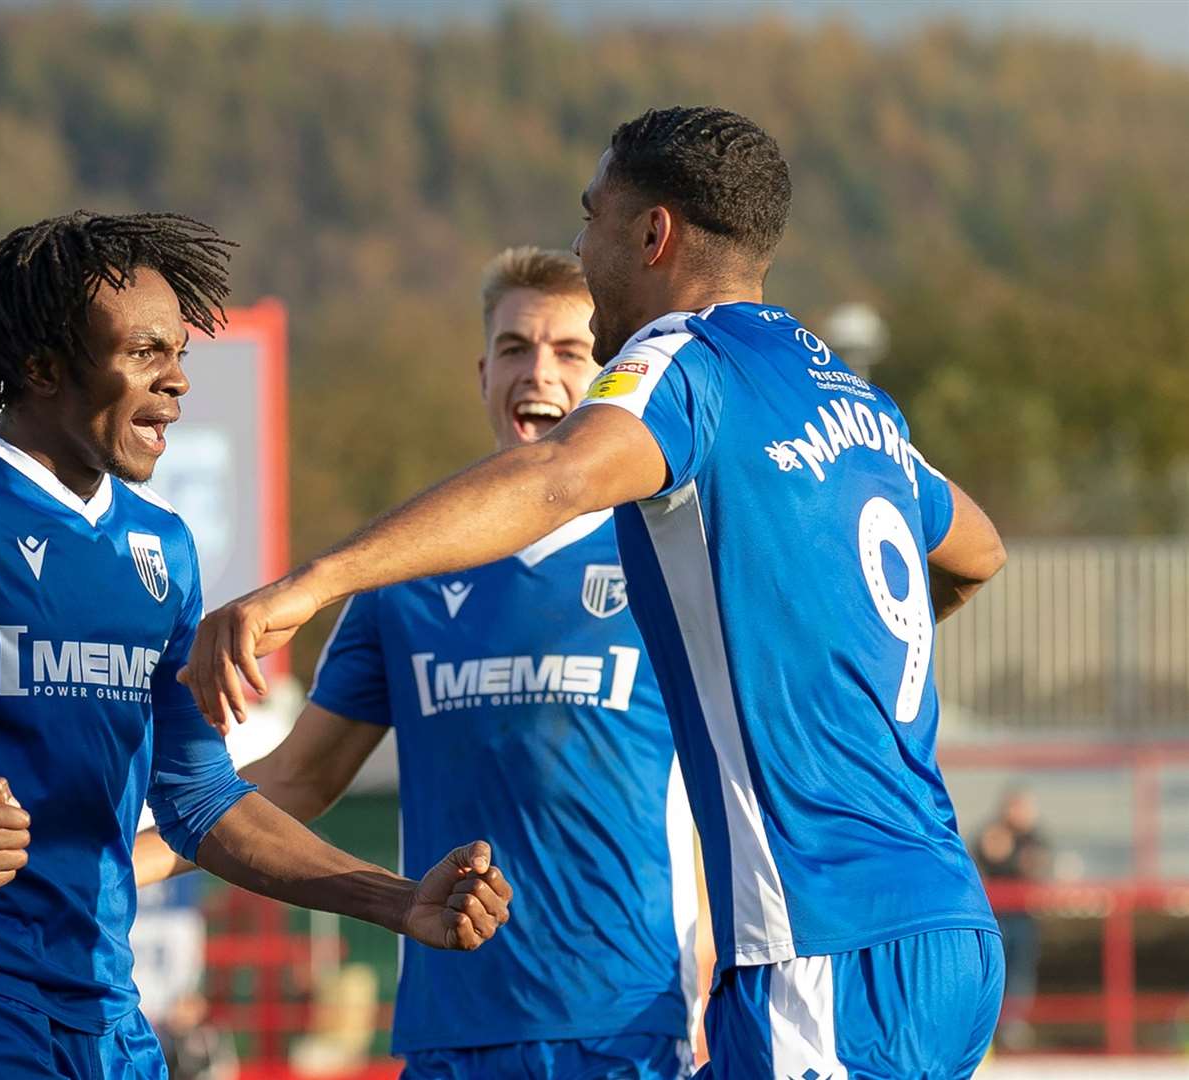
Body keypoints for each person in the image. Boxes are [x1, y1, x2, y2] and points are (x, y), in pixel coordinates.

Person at [183, 108, 1010, 1078]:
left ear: (650, 235)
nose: (580, 245)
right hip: (942, 924)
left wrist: (305, 585)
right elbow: (975, 550)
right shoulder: (851, 406)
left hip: (820, 938)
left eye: (589, 219)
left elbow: (558, 478)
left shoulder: (680, 361)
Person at [0, 210, 512, 1080]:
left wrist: (398, 901)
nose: (175, 383)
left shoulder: (162, 548)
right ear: (42, 366)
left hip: (109, 1017)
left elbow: (200, 800)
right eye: (144, 353)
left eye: (179, 355)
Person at [135, 247, 702, 1078]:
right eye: (514, 348)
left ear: (611, 377)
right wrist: (120, 868)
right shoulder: (404, 576)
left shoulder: (668, 559)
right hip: (449, 1028)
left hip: (632, 1024)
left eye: (568, 351)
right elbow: (299, 777)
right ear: (482, 373)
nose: (537, 373)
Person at [972, 788, 1050, 1050]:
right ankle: (988, 1027)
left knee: (1020, 972)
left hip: (1024, 916)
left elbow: (1036, 866)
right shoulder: (993, 831)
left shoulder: (1034, 838)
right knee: (993, 970)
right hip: (995, 916)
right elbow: (989, 855)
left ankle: (1012, 1026)